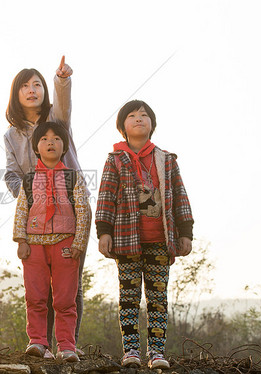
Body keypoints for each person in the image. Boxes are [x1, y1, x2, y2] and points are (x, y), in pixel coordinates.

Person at [95, 100, 194, 369]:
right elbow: (105, 197)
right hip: (126, 240)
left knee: (158, 299)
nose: (139, 118)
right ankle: (131, 351)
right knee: (128, 297)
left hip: (161, 241)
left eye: (144, 115)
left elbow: (180, 197)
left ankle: (157, 352)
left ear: (152, 124)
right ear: (122, 127)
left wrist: (186, 232)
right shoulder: (115, 160)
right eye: (132, 115)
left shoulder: (166, 160)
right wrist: (104, 231)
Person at [4, 56, 89, 354]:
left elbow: (63, 103)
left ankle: (68, 344)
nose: (32, 90)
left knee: (68, 282)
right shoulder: (11, 134)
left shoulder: (56, 119)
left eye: (37, 84)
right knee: (39, 285)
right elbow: (11, 172)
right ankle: (40, 343)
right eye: (25, 86)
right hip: (36, 218)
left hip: (70, 210)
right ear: (16, 93)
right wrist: (27, 197)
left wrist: (61, 80)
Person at [13, 122, 90, 363]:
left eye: (56, 138)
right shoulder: (29, 179)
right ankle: (38, 341)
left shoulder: (73, 178)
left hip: (65, 244)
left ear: (64, 146)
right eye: (44, 138)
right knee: (35, 296)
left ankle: (66, 345)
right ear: (36, 147)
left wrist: (79, 242)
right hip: (34, 244)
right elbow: (21, 211)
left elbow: (83, 210)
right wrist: (20, 239)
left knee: (65, 298)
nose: (50, 142)